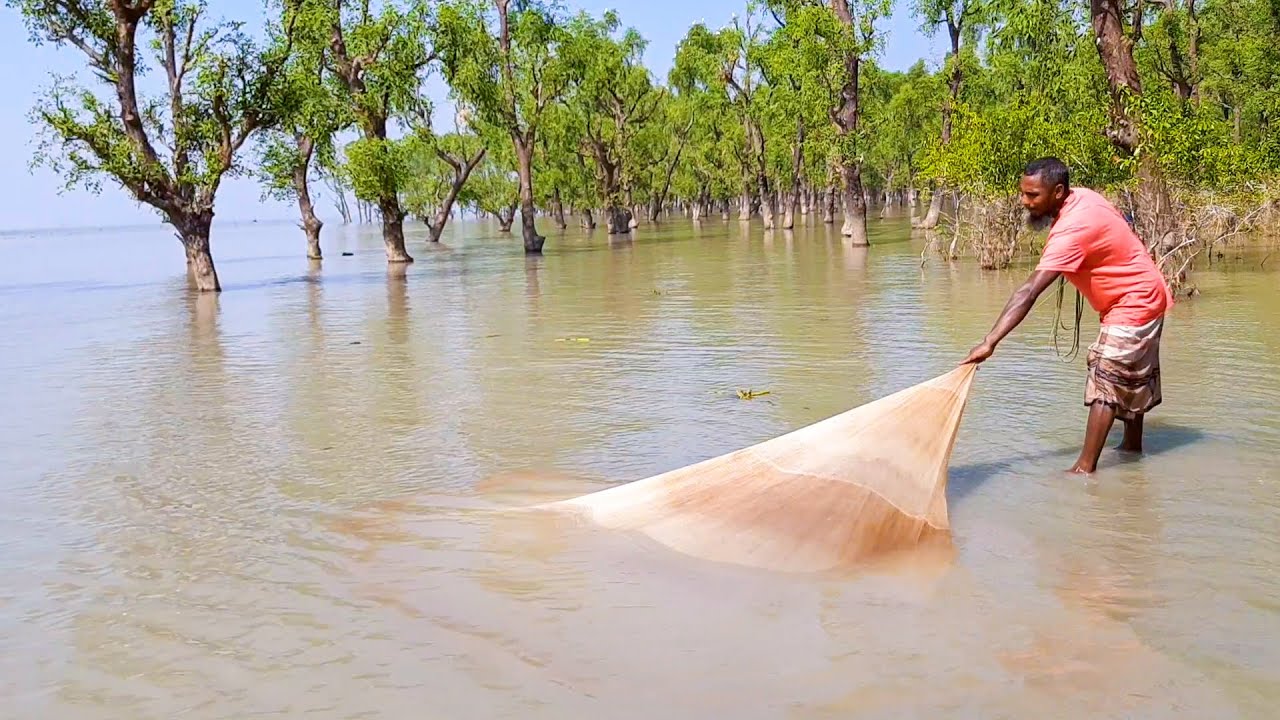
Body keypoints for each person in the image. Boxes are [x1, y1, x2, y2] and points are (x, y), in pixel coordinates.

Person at [962, 157, 1174, 474]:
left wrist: (989, 341)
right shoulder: (1084, 197)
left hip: (1134, 302)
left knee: (1107, 378)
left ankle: (1083, 471)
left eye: (1033, 195)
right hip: (1146, 293)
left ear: (1058, 192)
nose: (1025, 202)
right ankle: (1131, 449)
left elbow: (1028, 292)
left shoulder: (1071, 230)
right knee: (1128, 376)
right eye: (1023, 193)